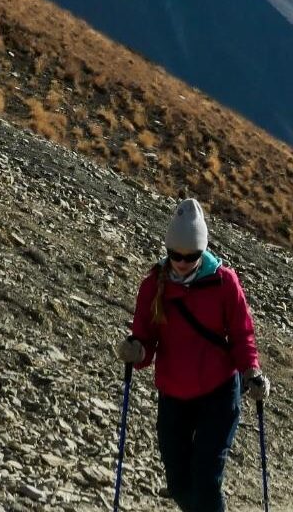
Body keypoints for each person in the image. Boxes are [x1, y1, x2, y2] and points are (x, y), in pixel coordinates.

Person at [115, 199, 271, 512]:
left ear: (203, 252)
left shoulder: (224, 283)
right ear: (168, 249)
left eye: (191, 256)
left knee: (206, 479)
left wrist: (251, 372)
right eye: (176, 255)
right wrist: (136, 350)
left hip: (219, 392)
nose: (182, 262)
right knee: (178, 483)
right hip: (174, 394)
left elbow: (242, 335)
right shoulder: (153, 286)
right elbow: (146, 342)